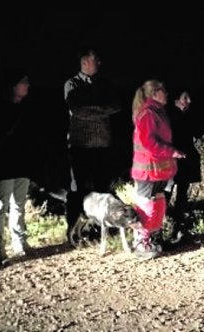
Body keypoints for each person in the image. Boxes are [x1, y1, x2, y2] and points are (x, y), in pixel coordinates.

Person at [63, 48, 121, 244]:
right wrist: (102, 110)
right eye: (96, 60)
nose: (99, 63)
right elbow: (77, 110)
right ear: (85, 61)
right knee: (78, 189)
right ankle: (73, 230)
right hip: (80, 145)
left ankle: (98, 230)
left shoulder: (104, 84)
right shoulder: (72, 84)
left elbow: (116, 105)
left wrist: (93, 108)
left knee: (102, 187)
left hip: (102, 144)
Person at [131, 79, 186, 259]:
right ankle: (141, 242)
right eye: (163, 91)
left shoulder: (157, 112)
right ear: (154, 93)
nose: (167, 94)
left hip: (156, 170)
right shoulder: (148, 114)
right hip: (147, 170)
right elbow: (149, 142)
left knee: (157, 203)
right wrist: (171, 152)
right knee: (147, 204)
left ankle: (152, 239)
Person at [0, 69, 35, 265]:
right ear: (14, 85)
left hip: (21, 164)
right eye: (24, 82)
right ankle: (0, 248)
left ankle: (19, 243)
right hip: (5, 165)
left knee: (18, 205)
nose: (27, 85)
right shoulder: (3, 108)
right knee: (1, 207)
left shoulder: (26, 107)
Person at [164, 87, 201, 245]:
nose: (189, 101)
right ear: (176, 99)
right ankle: (161, 227)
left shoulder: (188, 115)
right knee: (166, 192)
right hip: (173, 159)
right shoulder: (169, 116)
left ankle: (178, 227)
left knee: (182, 194)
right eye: (185, 98)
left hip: (185, 158)